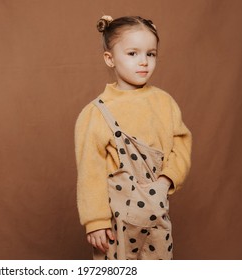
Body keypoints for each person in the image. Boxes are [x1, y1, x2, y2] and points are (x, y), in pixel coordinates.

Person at [74, 15, 192, 260]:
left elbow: (181, 144)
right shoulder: (96, 112)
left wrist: (166, 180)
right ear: (110, 58)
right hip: (115, 222)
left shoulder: (164, 102)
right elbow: (90, 171)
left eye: (150, 54)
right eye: (132, 54)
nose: (144, 62)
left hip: (156, 213)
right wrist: (95, 221)